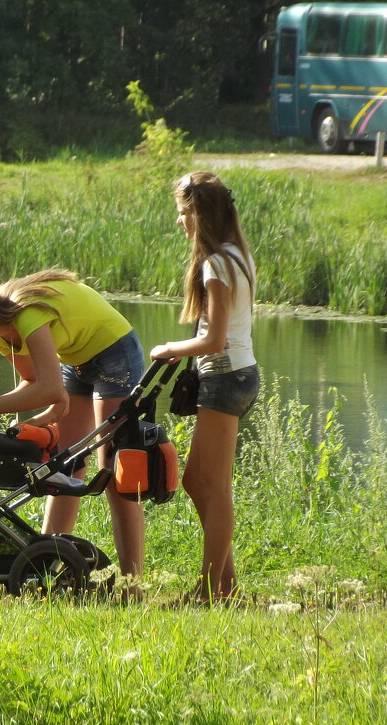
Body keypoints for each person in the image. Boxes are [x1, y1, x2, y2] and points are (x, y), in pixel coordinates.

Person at [0, 268, 147, 582]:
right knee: (63, 467)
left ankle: (132, 582)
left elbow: (48, 389)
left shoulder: (25, 315)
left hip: (115, 353)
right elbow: (34, 380)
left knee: (114, 470)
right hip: (75, 359)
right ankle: (46, 564)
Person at [150, 171, 259, 604]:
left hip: (225, 376)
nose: (180, 222)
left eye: (183, 214)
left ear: (200, 214)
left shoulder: (216, 264)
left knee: (212, 485)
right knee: (198, 481)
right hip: (237, 374)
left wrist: (170, 347)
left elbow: (214, 339)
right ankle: (225, 585)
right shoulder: (237, 255)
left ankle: (212, 591)